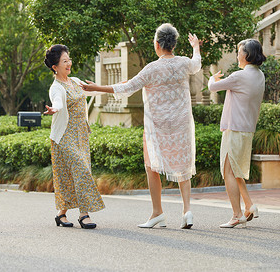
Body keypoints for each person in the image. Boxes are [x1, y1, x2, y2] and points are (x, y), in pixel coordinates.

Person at [80, 23, 201, 229]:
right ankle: (187, 211)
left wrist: (96, 87)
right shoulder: (183, 64)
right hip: (181, 124)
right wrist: (195, 46)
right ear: (173, 44)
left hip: (157, 126)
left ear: (157, 44)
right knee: (183, 166)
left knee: (151, 165)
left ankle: (157, 213)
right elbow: (196, 63)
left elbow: (127, 87)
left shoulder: (152, 69)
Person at [43, 44, 105, 229]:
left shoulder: (76, 81)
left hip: (81, 134)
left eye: (69, 59)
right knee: (81, 169)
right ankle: (84, 214)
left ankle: (61, 214)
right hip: (64, 137)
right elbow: (58, 102)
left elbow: (90, 91)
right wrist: (55, 109)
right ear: (55, 67)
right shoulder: (56, 88)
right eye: (64, 61)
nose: (69, 63)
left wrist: (108, 89)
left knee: (70, 176)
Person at [208, 39, 266, 228]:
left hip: (234, 129)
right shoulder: (260, 76)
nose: (237, 55)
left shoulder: (239, 76)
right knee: (236, 171)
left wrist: (212, 78)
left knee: (228, 172)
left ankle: (236, 215)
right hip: (247, 130)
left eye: (239, 52)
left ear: (247, 55)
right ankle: (249, 206)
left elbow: (212, 88)